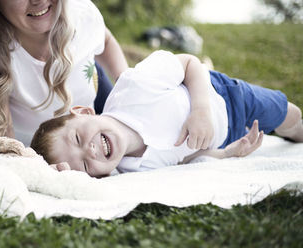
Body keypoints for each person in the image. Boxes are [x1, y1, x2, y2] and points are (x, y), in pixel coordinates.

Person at [0, 0, 214, 149]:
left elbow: (107, 40)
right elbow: (6, 145)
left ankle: (203, 72)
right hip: (56, 131)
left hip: (86, 97)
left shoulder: (80, 13)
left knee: (150, 109)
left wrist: (127, 80)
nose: (38, 1)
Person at [31, 50, 303, 177]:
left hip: (225, 96)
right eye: (86, 166)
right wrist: (228, 153)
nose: (89, 151)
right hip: (223, 137)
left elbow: (189, 63)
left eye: (77, 139)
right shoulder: (134, 169)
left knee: (287, 115)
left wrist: (200, 109)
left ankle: (294, 129)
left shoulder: (134, 88)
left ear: (83, 111)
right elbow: (187, 157)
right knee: (255, 134)